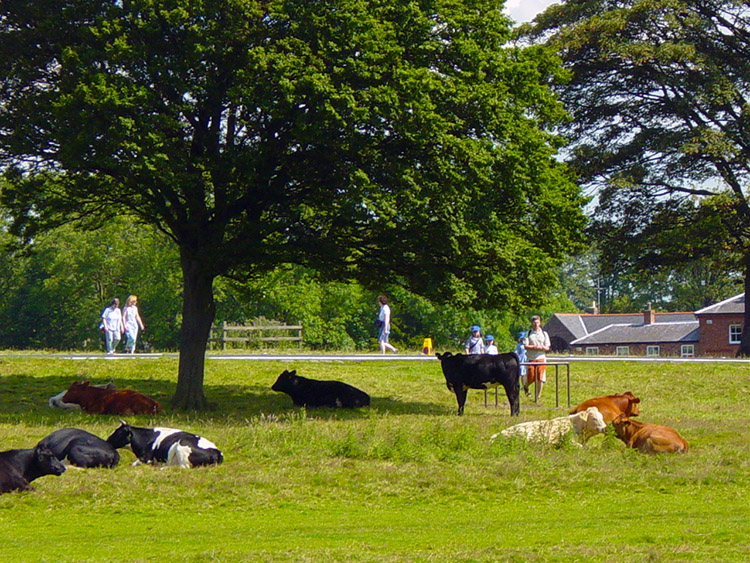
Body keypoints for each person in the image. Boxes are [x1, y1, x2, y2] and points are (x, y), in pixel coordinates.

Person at [523, 316, 550, 401]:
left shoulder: (544, 334)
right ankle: (525, 387)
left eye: (537, 322)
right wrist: (534, 347)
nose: (536, 324)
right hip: (531, 358)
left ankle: (538, 396)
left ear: (540, 323)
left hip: (541, 357)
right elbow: (526, 346)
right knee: (531, 377)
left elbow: (547, 347)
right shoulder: (528, 333)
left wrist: (541, 347)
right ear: (531, 323)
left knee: (540, 377)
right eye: (534, 323)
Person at [515, 331, 529, 396]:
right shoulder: (518, 345)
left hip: (526, 359)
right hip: (521, 360)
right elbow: (516, 352)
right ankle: (520, 385)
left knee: (525, 374)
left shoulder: (527, 344)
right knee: (521, 373)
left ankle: (525, 386)